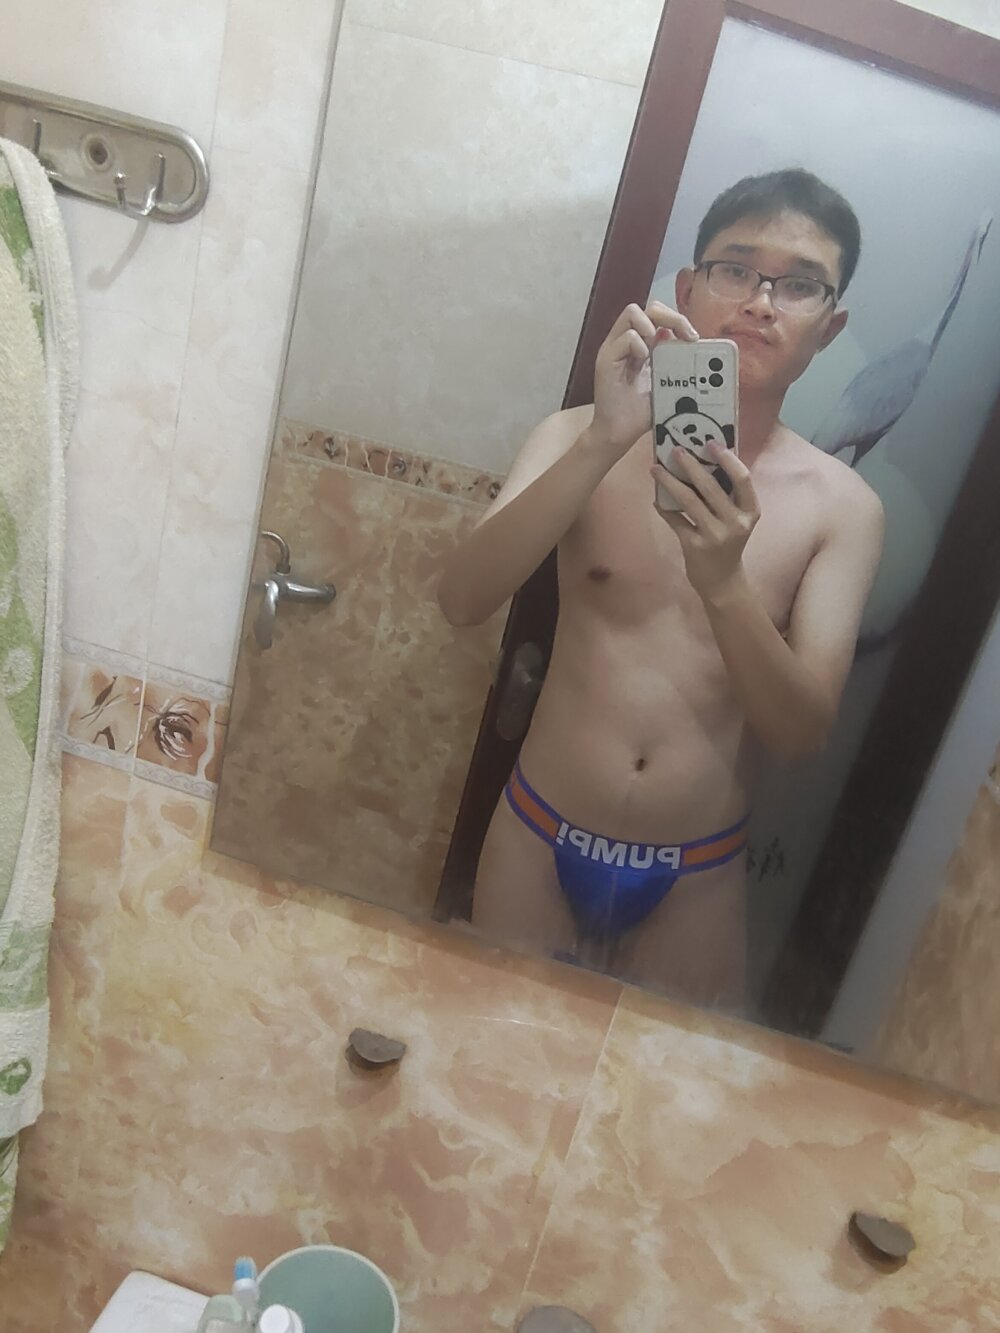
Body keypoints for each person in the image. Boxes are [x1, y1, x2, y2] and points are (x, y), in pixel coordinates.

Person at [437, 169, 884, 1006]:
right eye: (736, 269)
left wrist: (724, 584)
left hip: (696, 877)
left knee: (656, 1091)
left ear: (830, 327)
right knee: (491, 1059)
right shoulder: (574, 435)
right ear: (686, 291)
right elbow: (461, 600)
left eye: (798, 285)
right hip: (536, 836)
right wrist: (605, 439)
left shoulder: (844, 508)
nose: (761, 302)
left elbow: (799, 735)